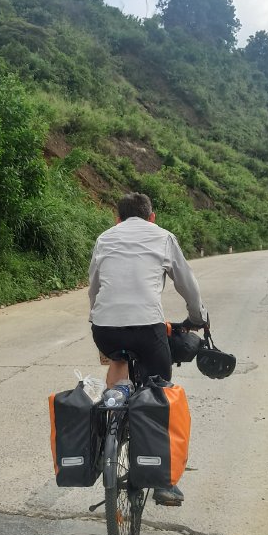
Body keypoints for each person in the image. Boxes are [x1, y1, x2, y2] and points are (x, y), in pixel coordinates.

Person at [87, 192, 207, 506]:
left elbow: (95, 286)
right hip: (146, 328)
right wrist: (197, 317)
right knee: (159, 390)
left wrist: (97, 318)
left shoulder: (104, 238)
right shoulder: (164, 237)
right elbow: (187, 284)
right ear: (151, 217)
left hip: (105, 328)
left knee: (118, 360)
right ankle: (164, 482)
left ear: (117, 218)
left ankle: (105, 434)